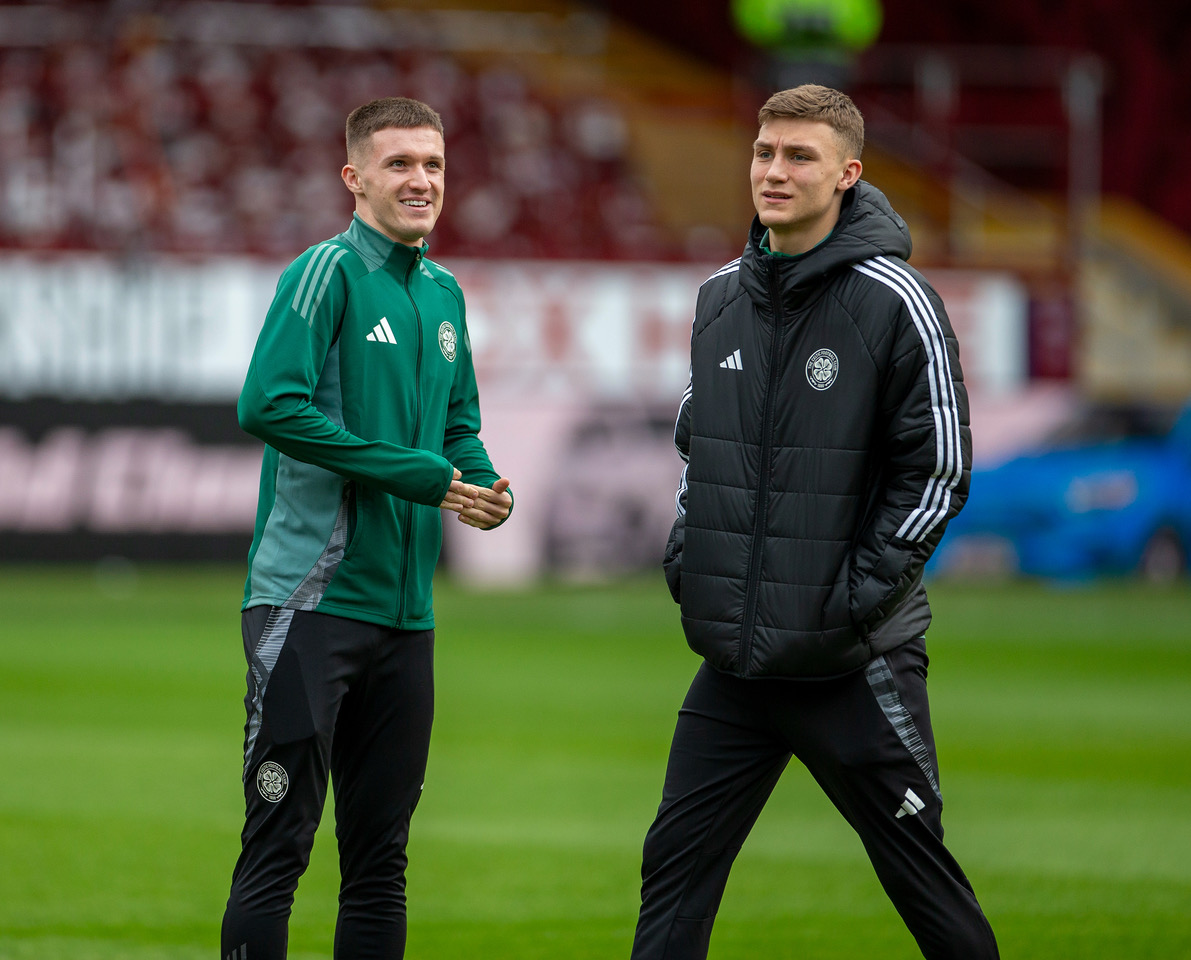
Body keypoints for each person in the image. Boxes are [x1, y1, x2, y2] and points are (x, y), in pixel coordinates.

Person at [631, 84, 998, 960]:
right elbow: (698, 445)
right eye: (764, 152)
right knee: (672, 873)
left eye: (799, 156)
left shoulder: (895, 299)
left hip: (849, 664)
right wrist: (692, 561)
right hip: (737, 665)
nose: (774, 171)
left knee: (921, 880)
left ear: (847, 175)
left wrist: (849, 602)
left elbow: (938, 465)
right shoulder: (719, 296)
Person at [221, 96, 512, 960]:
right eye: (398, 164)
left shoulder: (446, 293)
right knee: (278, 849)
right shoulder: (325, 272)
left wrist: (483, 480)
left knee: (381, 863)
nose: (420, 180)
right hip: (307, 605)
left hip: (404, 618)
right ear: (354, 178)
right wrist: (418, 474)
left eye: (432, 165)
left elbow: (457, 427)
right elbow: (266, 404)